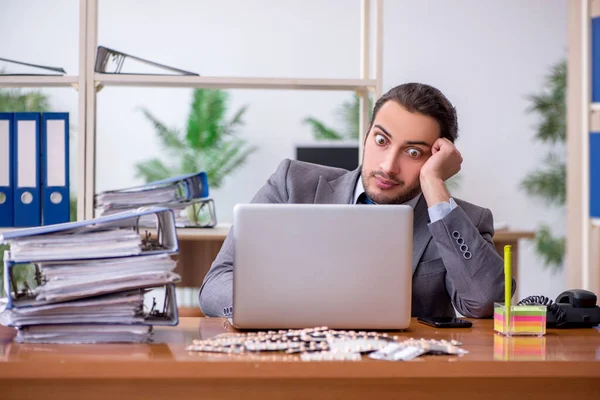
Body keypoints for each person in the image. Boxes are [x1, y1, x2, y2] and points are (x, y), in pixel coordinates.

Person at [198, 82, 512, 319]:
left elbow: (484, 301)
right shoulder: (292, 183)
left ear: (437, 157)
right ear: (366, 136)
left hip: (402, 379)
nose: (388, 166)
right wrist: (302, 313)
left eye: (413, 152)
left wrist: (433, 184)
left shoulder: (462, 221)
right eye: (381, 140)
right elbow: (216, 286)